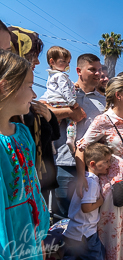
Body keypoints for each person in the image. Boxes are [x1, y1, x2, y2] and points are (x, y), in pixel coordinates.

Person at [76, 76, 123, 260]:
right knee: (113, 229)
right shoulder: (103, 120)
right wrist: (82, 177)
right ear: (118, 95)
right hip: (112, 184)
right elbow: (81, 147)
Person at [0, 50, 50, 260]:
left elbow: (34, 189)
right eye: (30, 86)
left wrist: (39, 235)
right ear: (5, 86)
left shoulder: (22, 133)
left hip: (29, 233)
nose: (35, 95)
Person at [42, 53, 104, 218]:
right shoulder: (63, 90)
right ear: (78, 70)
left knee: (88, 219)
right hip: (66, 164)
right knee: (63, 216)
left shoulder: (103, 102)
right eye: (92, 70)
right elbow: (41, 110)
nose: (98, 74)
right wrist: (69, 111)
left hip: (93, 168)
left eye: (99, 70)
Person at [8, 25, 61, 211]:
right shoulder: (9, 100)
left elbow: (53, 136)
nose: (37, 62)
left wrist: (49, 116)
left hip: (39, 181)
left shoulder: (26, 99)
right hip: (17, 187)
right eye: (32, 55)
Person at [62, 143, 110, 260]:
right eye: (106, 161)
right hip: (85, 233)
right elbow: (86, 208)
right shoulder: (91, 182)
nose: (109, 165)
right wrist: (100, 202)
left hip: (74, 231)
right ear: (93, 164)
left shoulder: (88, 179)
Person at [45, 46, 78, 153]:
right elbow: (65, 90)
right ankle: (70, 139)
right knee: (72, 120)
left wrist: (73, 85)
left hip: (53, 102)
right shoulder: (61, 76)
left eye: (68, 62)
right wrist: (72, 102)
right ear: (52, 61)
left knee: (54, 124)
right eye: (63, 61)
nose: (67, 64)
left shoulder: (51, 76)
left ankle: (50, 141)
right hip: (64, 103)